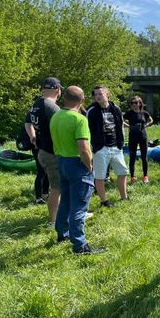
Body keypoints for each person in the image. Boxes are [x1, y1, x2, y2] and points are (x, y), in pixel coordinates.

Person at [50, 86, 104, 254]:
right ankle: (80, 245)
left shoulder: (56, 116)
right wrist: (89, 165)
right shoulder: (79, 119)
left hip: (62, 162)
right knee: (79, 206)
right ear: (82, 100)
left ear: (64, 98)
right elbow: (83, 148)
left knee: (65, 201)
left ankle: (62, 234)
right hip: (77, 164)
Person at [24, 77, 62, 224]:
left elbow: (27, 122)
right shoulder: (52, 108)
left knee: (53, 185)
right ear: (58, 90)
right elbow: (62, 129)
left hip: (42, 150)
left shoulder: (36, 104)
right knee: (57, 188)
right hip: (53, 152)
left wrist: (32, 136)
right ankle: (53, 221)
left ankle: (61, 215)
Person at [87, 86, 128, 207]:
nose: (97, 96)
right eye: (95, 95)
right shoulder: (91, 111)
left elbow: (120, 126)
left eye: (100, 94)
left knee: (123, 172)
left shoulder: (116, 108)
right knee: (99, 176)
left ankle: (124, 197)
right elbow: (87, 130)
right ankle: (103, 201)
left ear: (107, 95)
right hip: (101, 148)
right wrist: (93, 146)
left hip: (116, 147)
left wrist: (121, 143)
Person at [124, 96, 153, 184]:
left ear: (140, 103)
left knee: (144, 156)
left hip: (143, 137)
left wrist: (146, 125)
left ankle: (145, 176)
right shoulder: (129, 113)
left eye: (136, 102)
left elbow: (151, 120)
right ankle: (132, 177)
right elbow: (120, 119)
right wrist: (128, 126)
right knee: (132, 157)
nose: (134, 104)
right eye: (132, 103)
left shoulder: (144, 113)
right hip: (132, 137)